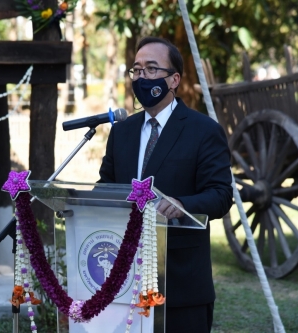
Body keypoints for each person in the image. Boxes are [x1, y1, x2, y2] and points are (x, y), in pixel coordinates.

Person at [98, 36, 233, 332]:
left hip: (181, 284)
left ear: (173, 80)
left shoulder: (204, 131)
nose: (141, 77)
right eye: (136, 70)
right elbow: (104, 188)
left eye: (150, 69)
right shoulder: (121, 133)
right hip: (123, 281)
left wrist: (183, 205)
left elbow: (222, 195)